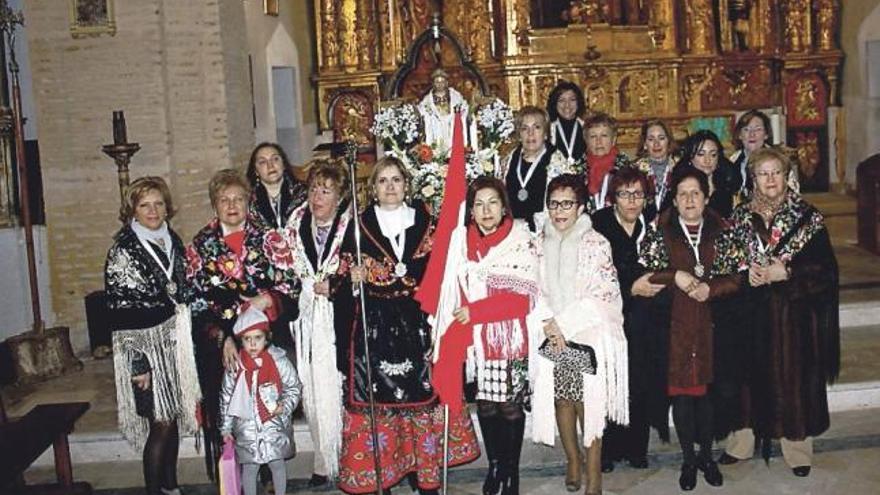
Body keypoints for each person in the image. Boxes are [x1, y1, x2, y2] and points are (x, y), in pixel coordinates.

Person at [339, 157, 479, 494]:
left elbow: (446, 270)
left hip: (419, 323)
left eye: (396, 180)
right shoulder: (359, 226)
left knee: (420, 398)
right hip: (376, 326)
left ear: (407, 184)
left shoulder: (427, 223)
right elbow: (343, 280)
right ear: (372, 189)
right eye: (383, 181)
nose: (390, 187)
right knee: (381, 402)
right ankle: (383, 474)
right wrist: (353, 279)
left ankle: (425, 477)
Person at [713, 148, 840, 477]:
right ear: (752, 179)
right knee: (745, 378)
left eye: (776, 173)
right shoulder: (740, 217)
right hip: (750, 314)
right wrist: (747, 275)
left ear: (787, 176)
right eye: (762, 174)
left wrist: (788, 273)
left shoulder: (807, 218)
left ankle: (796, 446)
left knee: (793, 379)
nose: (770, 179)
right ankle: (740, 443)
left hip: (793, 317)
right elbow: (725, 265)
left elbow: (826, 271)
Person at [639, 167, 738, 491]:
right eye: (682, 193)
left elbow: (739, 277)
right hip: (675, 326)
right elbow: (649, 272)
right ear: (674, 199)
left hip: (713, 325)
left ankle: (707, 456)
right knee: (683, 394)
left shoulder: (722, 229)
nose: (689, 199)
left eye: (695, 192)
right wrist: (675, 276)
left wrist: (712, 288)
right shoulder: (662, 230)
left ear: (706, 196)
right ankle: (688, 459)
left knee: (707, 395)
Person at [186, 169, 289, 477]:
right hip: (222, 344)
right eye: (224, 200)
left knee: (266, 410)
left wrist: (268, 299)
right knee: (229, 412)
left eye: (238, 199)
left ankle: (270, 478)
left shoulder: (269, 237)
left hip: (264, 341)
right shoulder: (201, 244)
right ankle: (231, 479)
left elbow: (289, 285)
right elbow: (194, 299)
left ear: (249, 202)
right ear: (214, 205)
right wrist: (223, 337)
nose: (232, 206)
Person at [532, 174, 629, 495]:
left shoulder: (596, 243)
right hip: (552, 333)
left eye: (567, 204)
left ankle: (593, 471)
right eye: (554, 204)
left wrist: (565, 324)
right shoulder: (537, 243)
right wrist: (547, 321)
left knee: (588, 403)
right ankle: (572, 459)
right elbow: (532, 289)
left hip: (586, 333)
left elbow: (604, 293)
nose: (560, 211)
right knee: (562, 400)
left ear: (581, 207)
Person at [104, 176, 201, 495]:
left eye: (159, 203)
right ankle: (153, 490)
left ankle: (170, 487)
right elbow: (120, 310)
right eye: (145, 204)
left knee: (171, 416)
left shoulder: (170, 238)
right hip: (145, 349)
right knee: (159, 423)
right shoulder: (124, 248)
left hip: (174, 344)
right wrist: (137, 365)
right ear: (132, 208)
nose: (153, 210)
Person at [450, 176, 542, 495]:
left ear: (504, 206)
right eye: (479, 204)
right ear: (471, 211)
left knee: (509, 407)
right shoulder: (461, 244)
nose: (486, 210)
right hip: (476, 343)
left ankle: (511, 472)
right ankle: (495, 466)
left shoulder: (521, 239)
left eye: (492, 202)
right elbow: (453, 288)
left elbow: (524, 296)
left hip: (510, 336)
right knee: (486, 405)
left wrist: (477, 311)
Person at [591, 167, 669, 472]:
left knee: (640, 382)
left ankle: (637, 448)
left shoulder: (653, 227)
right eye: (624, 194)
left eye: (638, 194)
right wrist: (629, 287)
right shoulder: (597, 227)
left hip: (643, 320)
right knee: (611, 383)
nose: (632, 201)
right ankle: (609, 450)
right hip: (608, 317)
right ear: (613, 198)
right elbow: (593, 274)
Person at [283, 161, 355, 487]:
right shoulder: (295, 225)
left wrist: (336, 287)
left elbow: (360, 270)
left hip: (343, 319)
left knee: (340, 385)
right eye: (313, 189)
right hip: (309, 317)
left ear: (339, 196)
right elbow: (286, 271)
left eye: (326, 190)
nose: (317, 196)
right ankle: (323, 457)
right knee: (311, 384)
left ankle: (348, 454)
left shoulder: (352, 227)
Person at [220, 306, 302, 495]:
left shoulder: (279, 360)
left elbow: (294, 387)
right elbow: (226, 397)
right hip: (246, 427)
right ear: (241, 341)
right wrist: (225, 428)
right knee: (249, 468)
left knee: (277, 464)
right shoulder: (236, 365)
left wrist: (285, 406)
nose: (253, 344)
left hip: (274, 424)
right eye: (247, 339)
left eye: (257, 338)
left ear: (267, 337)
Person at [245, 142, 307, 354]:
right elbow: (248, 247)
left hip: (305, 281)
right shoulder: (248, 204)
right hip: (270, 288)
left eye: (275, 159)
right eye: (262, 162)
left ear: (284, 163)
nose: (270, 165)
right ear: (255, 170)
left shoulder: (305, 195)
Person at [496, 106, 569, 230]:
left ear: (545, 133)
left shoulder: (558, 163)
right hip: (510, 232)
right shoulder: (508, 161)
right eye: (525, 128)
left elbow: (563, 205)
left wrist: (530, 226)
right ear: (519, 135)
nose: (531, 133)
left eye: (537, 127)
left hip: (546, 232)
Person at [677, 130, 738, 218]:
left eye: (713, 155)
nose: (707, 160)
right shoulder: (679, 186)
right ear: (690, 158)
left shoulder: (726, 187)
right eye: (701, 154)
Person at [584, 113, 631, 210]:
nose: (598, 141)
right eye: (593, 136)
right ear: (586, 141)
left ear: (613, 139)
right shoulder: (577, 169)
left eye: (604, 136)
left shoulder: (626, 168)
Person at [417, 68, 473, 151]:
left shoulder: (455, 97)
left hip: (452, 128)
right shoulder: (427, 101)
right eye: (437, 82)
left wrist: (463, 114)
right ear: (433, 83)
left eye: (442, 82)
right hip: (436, 130)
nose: (440, 84)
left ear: (446, 83)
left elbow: (465, 109)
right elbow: (421, 112)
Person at [632, 120, 677, 222]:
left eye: (661, 138)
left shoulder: (680, 169)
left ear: (668, 142)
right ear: (644, 144)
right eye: (651, 139)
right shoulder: (634, 170)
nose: (656, 144)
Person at [546, 81, 587, 165]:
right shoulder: (547, 131)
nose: (567, 105)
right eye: (561, 100)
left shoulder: (588, 128)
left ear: (578, 102)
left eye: (572, 100)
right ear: (554, 103)